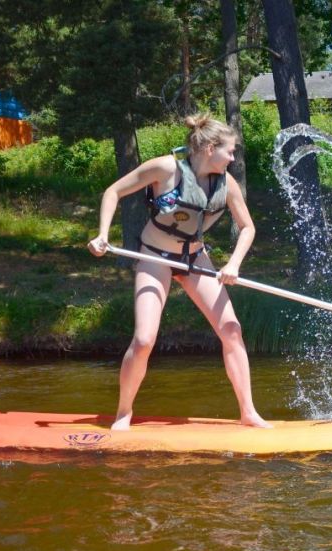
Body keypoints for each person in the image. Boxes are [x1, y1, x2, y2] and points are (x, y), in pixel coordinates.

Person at [87, 113, 271, 430]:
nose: (232, 157)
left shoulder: (226, 185)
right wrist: (103, 235)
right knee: (144, 339)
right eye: (229, 150)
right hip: (155, 257)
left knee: (232, 330)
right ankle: (123, 412)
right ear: (210, 147)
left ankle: (248, 412)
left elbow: (247, 228)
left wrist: (233, 264)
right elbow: (112, 192)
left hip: (194, 259)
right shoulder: (166, 168)